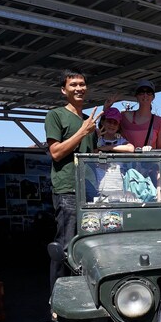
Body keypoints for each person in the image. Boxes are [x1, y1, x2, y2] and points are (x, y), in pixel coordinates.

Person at [45, 69, 101, 293]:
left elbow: (92, 153)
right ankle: (58, 297)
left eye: (82, 84)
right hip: (67, 190)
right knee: (65, 245)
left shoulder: (90, 121)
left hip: (90, 192)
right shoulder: (55, 115)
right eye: (73, 84)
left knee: (89, 243)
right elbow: (56, 153)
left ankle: (85, 292)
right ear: (63, 90)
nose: (79, 88)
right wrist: (82, 131)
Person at [105, 79, 161, 149]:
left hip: (148, 159)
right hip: (125, 159)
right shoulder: (124, 116)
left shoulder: (160, 121)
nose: (145, 95)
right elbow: (107, 125)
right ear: (136, 96)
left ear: (153, 97)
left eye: (149, 92)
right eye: (141, 92)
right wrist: (106, 108)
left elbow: (160, 148)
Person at [94, 107, 134, 197]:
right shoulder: (96, 138)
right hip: (99, 188)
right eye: (109, 121)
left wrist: (108, 148)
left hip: (118, 188)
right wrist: (97, 138)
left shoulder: (120, 141)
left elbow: (131, 148)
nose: (112, 125)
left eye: (115, 123)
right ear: (103, 122)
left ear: (118, 126)